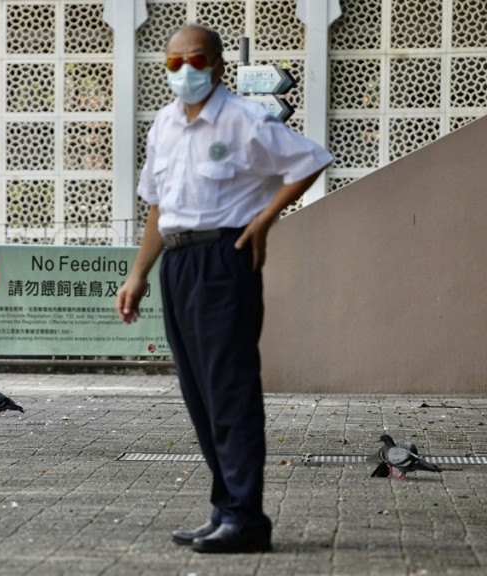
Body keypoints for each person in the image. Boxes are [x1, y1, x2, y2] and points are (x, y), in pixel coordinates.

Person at [115, 24, 332, 554]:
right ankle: (224, 508)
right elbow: (158, 208)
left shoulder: (243, 119)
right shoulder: (164, 125)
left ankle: (247, 516)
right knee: (199, 394)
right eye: (173, 64)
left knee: (229, 388)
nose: (184, 72)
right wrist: (139, 273)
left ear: (216, 65)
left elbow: (309, 161)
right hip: (179, 263)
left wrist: (262, 222)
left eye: (195, 60)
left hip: (223, 258)